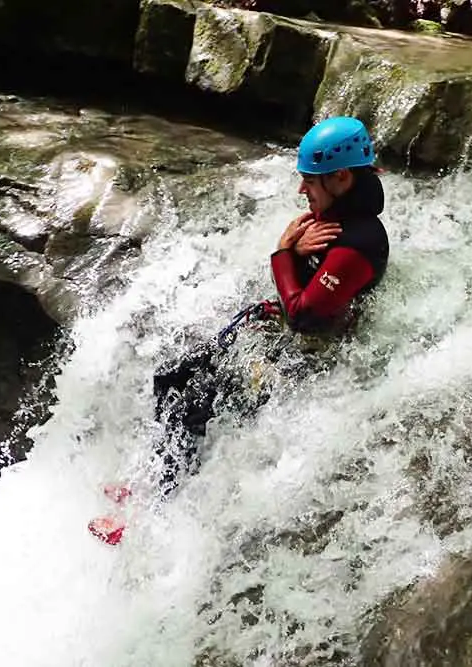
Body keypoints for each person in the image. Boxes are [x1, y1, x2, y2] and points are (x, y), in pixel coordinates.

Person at [88, 116, 390, 545]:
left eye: (309, 181)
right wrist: (299, 253)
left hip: (304, 355)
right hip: (276, 335)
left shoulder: (358, 242)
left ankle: (145, 518)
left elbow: (304, 314)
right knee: (172, 376)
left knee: (195, 405)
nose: (302, 191)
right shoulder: (333, 218)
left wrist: (285, 254)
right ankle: (148, 479)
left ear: (341, 177)